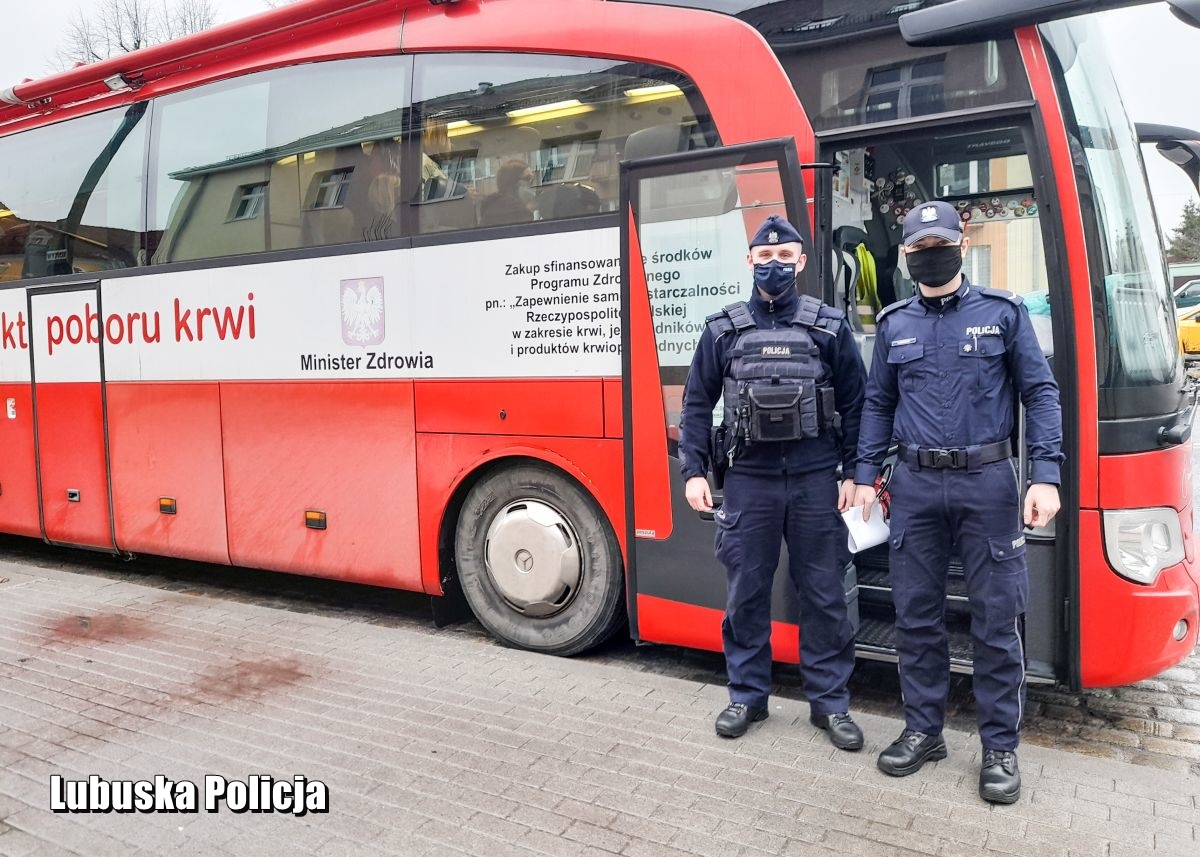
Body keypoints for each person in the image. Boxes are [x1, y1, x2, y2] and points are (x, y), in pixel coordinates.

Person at [851, 200, 1063, 804]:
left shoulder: (1003, 314)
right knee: (916, 618)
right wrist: (866, 474)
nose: (929, 255)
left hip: (988, 485)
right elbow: (877, 404)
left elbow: (1041, 394)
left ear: (960, 243)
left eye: (939, 244)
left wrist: (1044, 475)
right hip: (914, 488)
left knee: (997, 623)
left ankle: (1000, 746)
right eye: (918, 249)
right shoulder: (894, 324)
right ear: (907, 255)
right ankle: (924, 730)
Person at [680, 214, 868, 750]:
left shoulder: (829, 326)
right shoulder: (723, 329)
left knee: (825, 595)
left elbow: (858, 405)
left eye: (785, 259)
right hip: (748, 482)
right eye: (765, 259)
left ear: (802, 263)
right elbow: (697, 403)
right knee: (745, 594)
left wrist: (856, 474)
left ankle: (830, 705)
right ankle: (747, 695)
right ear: (750, 262)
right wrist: (694, 470)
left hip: (815, 481)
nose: (775, 267)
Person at [479, 159, 536, 226]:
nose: (531, 184)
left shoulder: (491, 207)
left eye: (533, 179)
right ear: (512, 183)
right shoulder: (519, 213)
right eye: (528, 178)